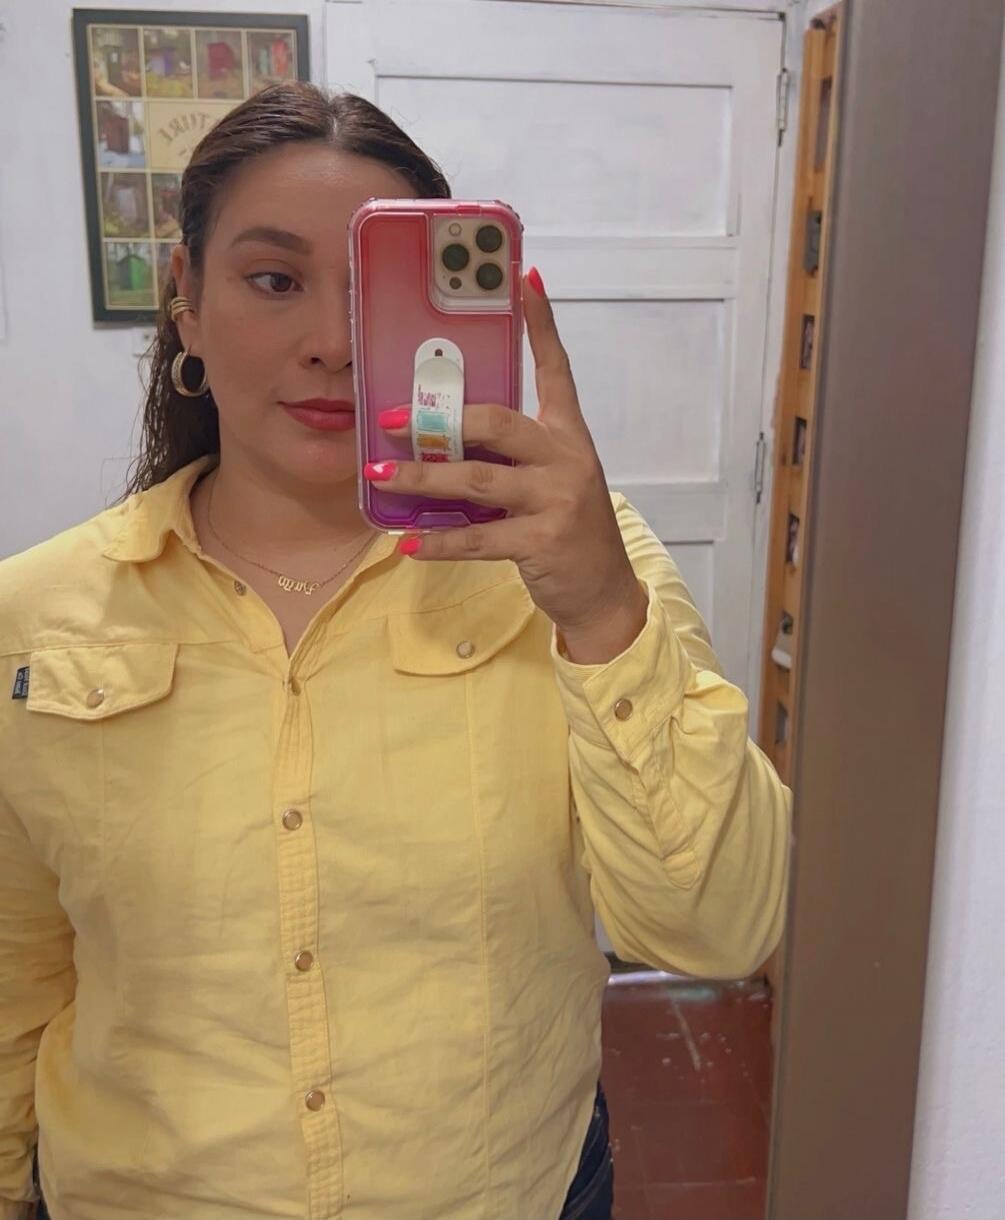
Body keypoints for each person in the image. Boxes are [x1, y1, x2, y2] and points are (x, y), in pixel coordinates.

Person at [0, 82, 792, 1220]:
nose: (332, 344)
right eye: (274, 280)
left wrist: (601, 616)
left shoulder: (578, 572)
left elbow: (718, 929)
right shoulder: (35, 615)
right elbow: (17, 975)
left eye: (375, 292)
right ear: (187, 300)